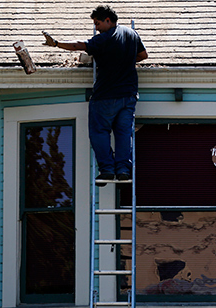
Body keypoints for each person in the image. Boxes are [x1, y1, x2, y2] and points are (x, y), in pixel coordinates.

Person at [43, 5, 147, 184]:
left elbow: (79, 46)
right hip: (128, 94)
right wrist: (124, 59)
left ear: (108, 20)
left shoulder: (104, 39)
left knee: (99, 131)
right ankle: (123, 170)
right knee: (124, 134)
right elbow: (143, 55)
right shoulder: (132, 34)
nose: (96, 28)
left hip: (106, 95)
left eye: (97, 23)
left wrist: (56, 44)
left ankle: (107, 169)